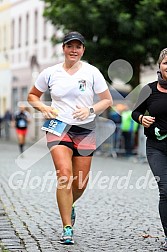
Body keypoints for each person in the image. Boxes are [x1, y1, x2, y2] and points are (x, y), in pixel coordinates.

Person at [27, 31, 113, 245]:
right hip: (58, 127)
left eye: (78, 47)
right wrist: (43, 107)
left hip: (85, 129)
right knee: (64, 175)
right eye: (69, 46)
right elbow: (32, 96)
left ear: (83, 50)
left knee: (80, 183)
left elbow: (107, 100)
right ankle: (67, 227)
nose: (73, 50)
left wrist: (90, 109)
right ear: (63, 48)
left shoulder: (92, 72)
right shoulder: (50, 72)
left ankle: (69, 203)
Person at [132, 48, 167, 251]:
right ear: (160, 66)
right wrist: (141, 118)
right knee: (166, 191)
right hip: (157, 147)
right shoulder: (150, 89)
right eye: (166, 63)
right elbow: (135, 112)